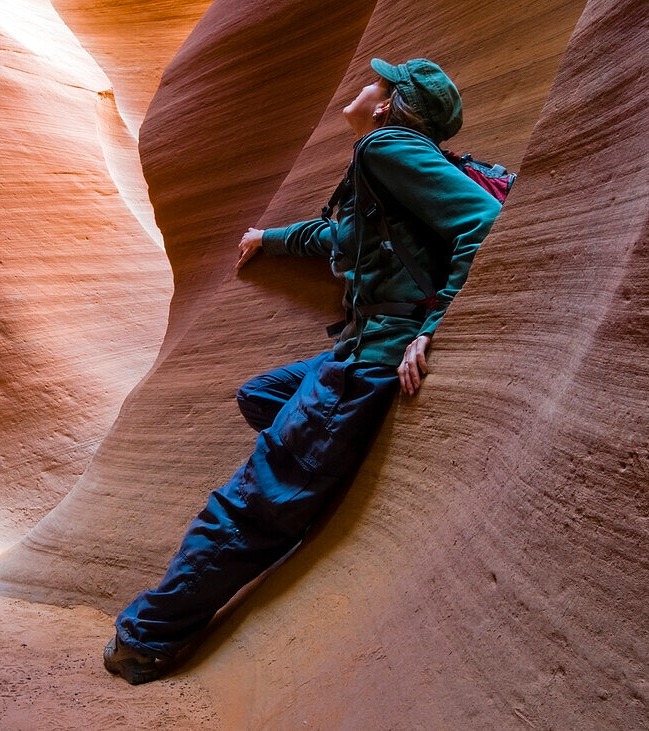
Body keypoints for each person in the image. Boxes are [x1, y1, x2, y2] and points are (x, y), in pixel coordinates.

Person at [104, 58, 503, 684]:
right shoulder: (380, 164)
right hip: (354, 348)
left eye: (377, 81)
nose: (364, 84)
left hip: (371, 360)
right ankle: (313, 467)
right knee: (259, 396)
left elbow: (481, 222)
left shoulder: (385, 146)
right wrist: (271, 237)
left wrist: (429, 329)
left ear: (388, 104)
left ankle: (147, 639)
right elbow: (338, 237)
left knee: (249, 506)